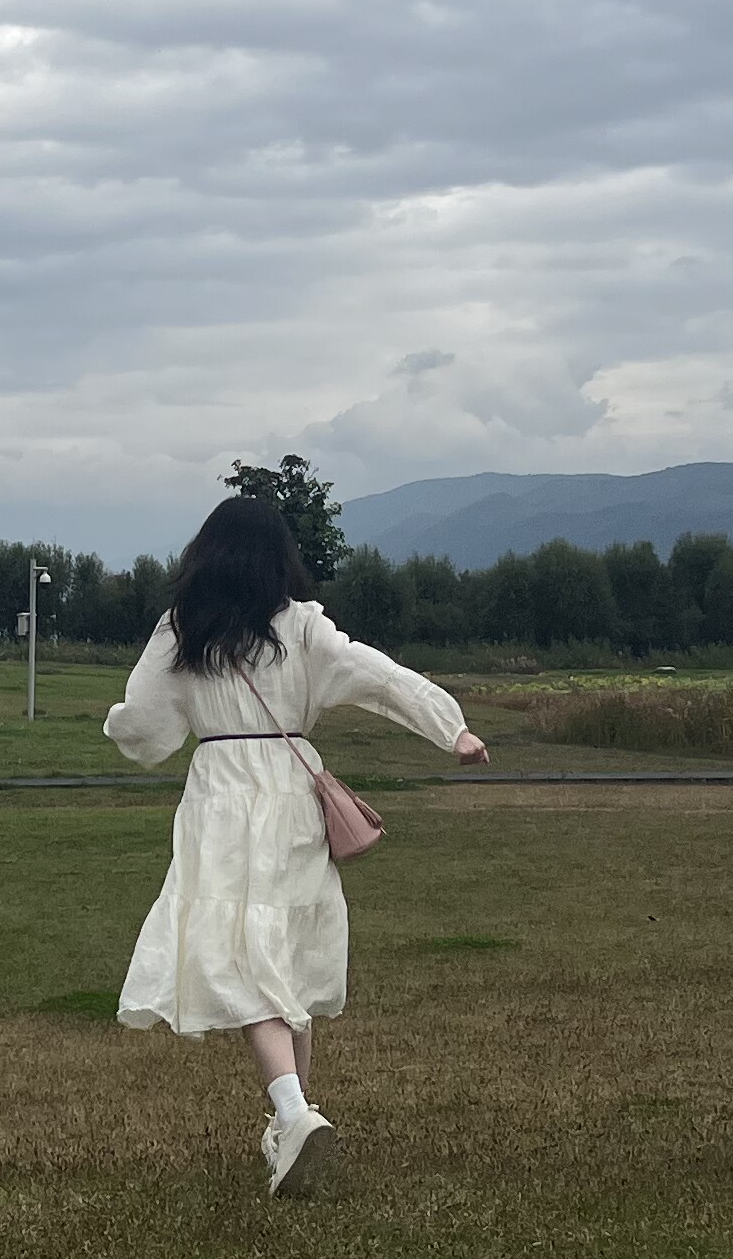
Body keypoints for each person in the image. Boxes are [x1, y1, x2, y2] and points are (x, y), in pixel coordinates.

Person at [104, 493, 488, 1196]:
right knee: (286, 953)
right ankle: (292, 1127)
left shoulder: (184, 626)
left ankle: (291, 1111)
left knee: (238, 953)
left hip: (221, 789)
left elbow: (145, 725)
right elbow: (376, 675)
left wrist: (118, 725)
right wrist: (450, 727)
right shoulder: (303, 625)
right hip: (292, 786)